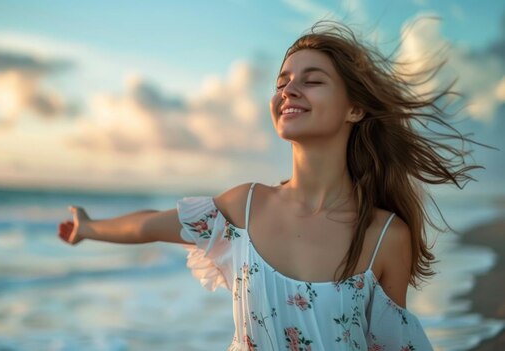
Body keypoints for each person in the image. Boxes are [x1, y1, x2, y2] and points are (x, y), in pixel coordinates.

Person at [58, 20, 491, 350]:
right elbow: (150, 225)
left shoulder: (385, 237)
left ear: (355, 109)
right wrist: (90, 227)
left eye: (312, 80)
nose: (289, 90)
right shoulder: (246, 207)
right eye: (282, 81)